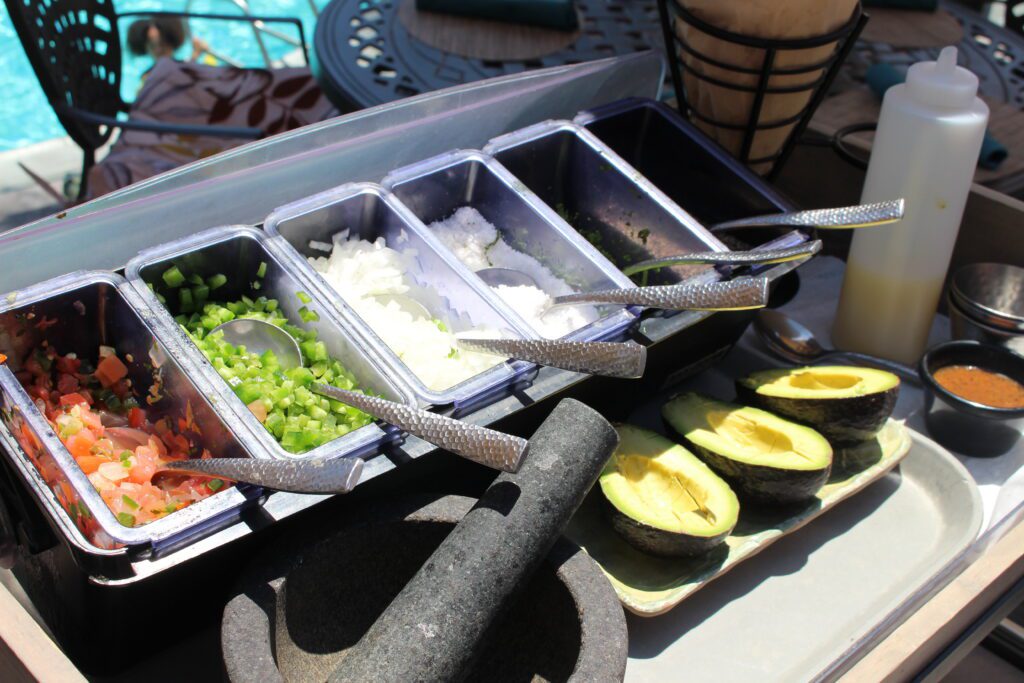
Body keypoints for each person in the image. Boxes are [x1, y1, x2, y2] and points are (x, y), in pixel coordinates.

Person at [126, 17, 213, 64]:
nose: (158, 50)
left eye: (163, 44)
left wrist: (196, 55)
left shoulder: (148, 79)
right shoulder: (147, 80)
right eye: (152, 46)